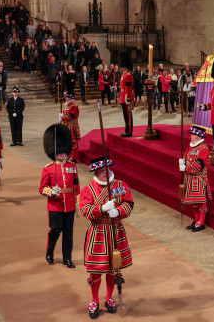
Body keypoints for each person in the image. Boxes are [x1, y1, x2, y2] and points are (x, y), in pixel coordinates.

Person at [79, 157, 134, 319]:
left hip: (116, 231)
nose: (105, 173)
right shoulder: (88, 189)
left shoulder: (120, 185)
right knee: (96, 271)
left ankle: (109, 298)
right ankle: (95, 300)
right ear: (95, 172)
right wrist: (101, 209)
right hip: (98, 232)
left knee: (113, 269)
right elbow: (84, 210)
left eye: (107, 169)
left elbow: (129, 203)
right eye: (101, 171)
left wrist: (119, 211)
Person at [40, 124, 79, 268]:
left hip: (69, 205)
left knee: (69, 233)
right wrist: (52, 192)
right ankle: (49, 252)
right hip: (55, 205)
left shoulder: (72, 167)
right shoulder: (48, 169)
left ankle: (67, 258)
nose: (62, 155)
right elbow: (42, 188)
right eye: (59, 152)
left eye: (64, 152)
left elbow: (76, 185)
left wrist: (78, 200)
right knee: (56, 230)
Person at [180, 126, 212, 232]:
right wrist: (182, 161)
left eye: (193, 135)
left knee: (201, 202)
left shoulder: (203, 149)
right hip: (189, 178)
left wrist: (186, 168)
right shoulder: (191, 147)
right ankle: (196, 220)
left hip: (198, 178)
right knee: (193, 202)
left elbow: (199, 166)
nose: (191, 137)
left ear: (198, 137)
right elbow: (186, 156)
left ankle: (201, 222)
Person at [61, 92, 81, 159]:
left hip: (71, 126)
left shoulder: (74, 107)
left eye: (67, 97)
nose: (66, 98)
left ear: (71, 98)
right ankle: (68, 155)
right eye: (66, 97)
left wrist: (62, 117)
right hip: (66, 126)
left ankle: (73, 157)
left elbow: (70, 117)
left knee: (72, 143)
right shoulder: (67, 106)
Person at [118, 53, 134, 138]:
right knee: (125, 115)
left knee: (128, 115)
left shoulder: (128, 75)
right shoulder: (124, 75)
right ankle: (126, 130)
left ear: (126, 66)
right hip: (122, 96)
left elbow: (129, 87)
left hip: (126, 97)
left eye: (122, 66)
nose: (121, 68)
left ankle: (129, 131)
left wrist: (128, 98)